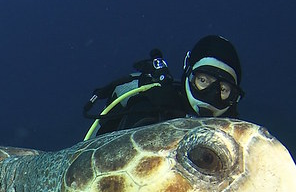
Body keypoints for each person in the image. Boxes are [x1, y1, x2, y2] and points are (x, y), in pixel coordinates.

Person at [82, 35, 244, 138]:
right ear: (188, 71)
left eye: (223, 90)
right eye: (203, 81)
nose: (211, 95)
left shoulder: (236, 136)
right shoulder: (149, 109)